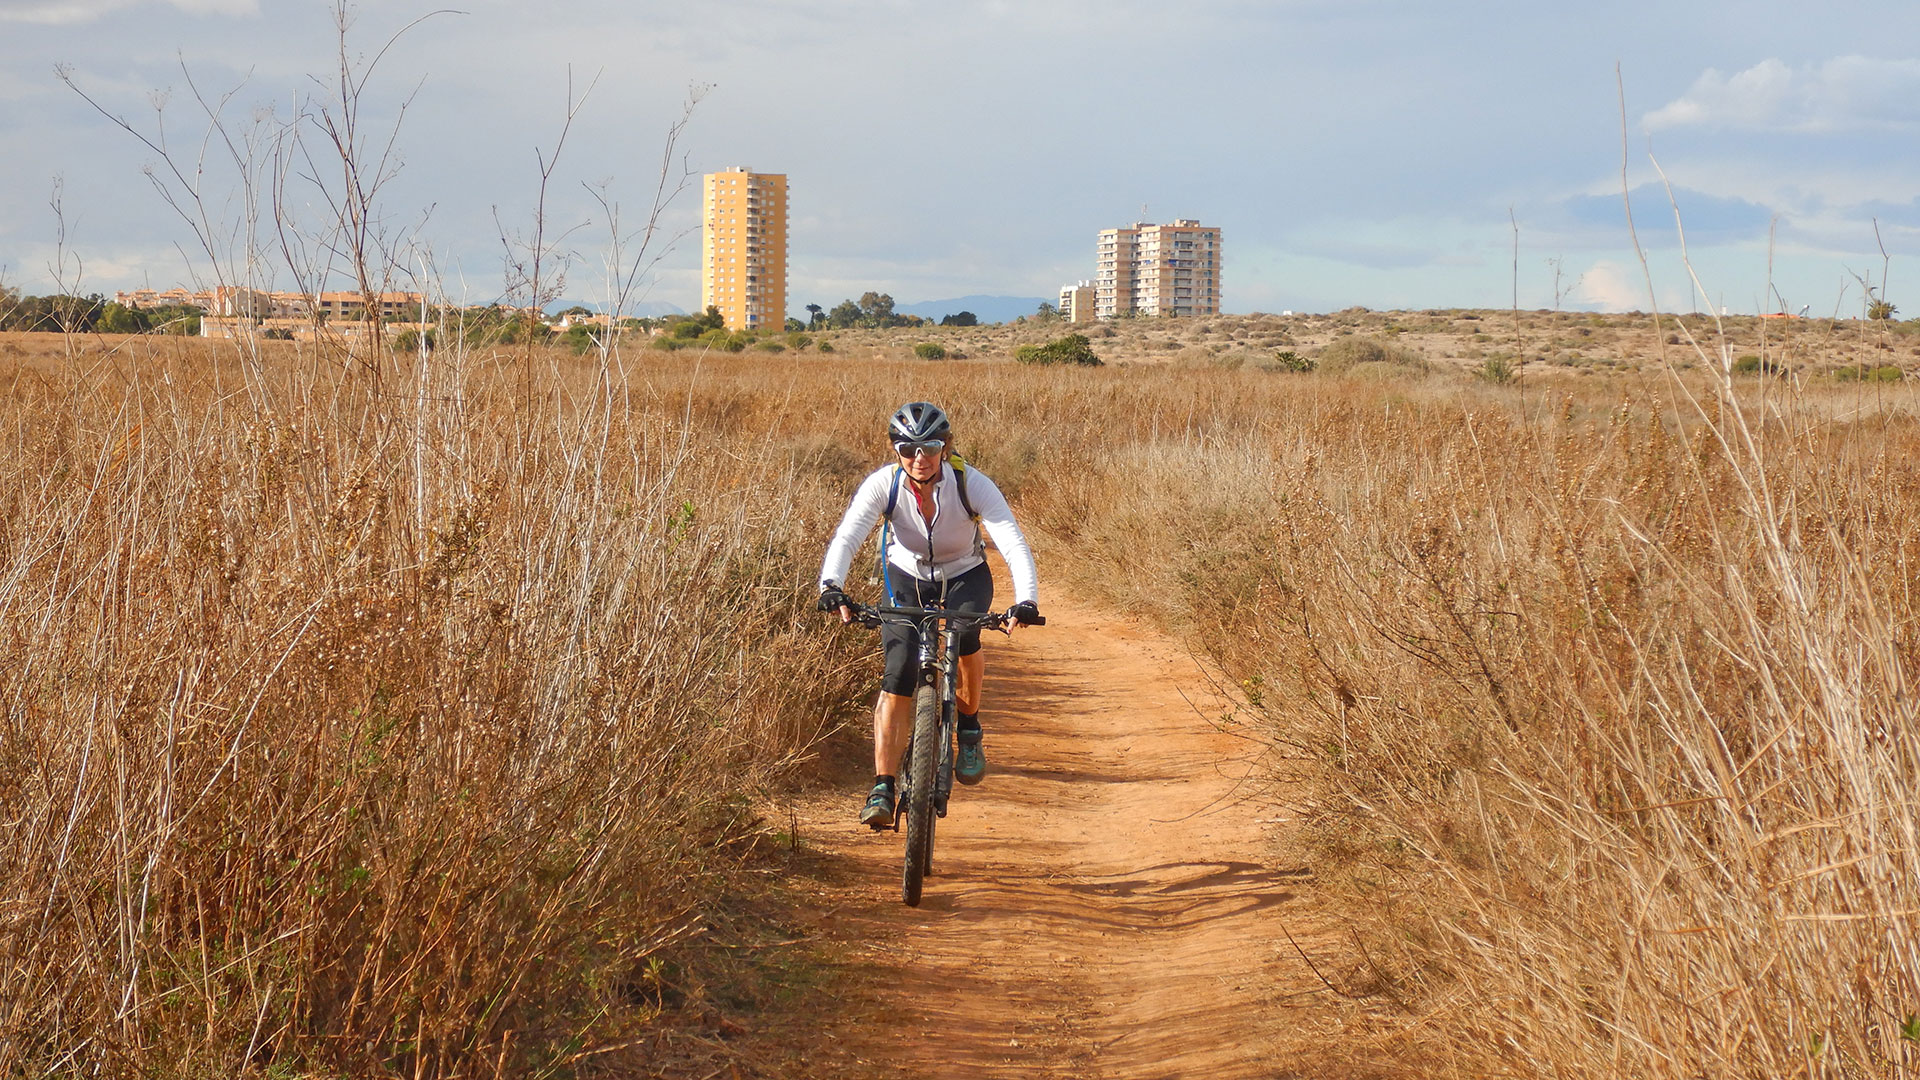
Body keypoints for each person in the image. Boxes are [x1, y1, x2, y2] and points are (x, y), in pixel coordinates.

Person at [818, 401, 1042, 828]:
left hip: (964, 573)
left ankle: (969, 728)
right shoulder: (882, 485)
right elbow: (848, 535)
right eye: (907, 447)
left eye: (930, 446)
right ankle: (882, 785)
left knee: (967, 634)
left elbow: (1011, 540)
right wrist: (831, 586)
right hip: (906, 574)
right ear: (894, 449)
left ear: (946, 446)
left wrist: (1026, 599)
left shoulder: (970, 483)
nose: (919, 458)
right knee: (898, 669)